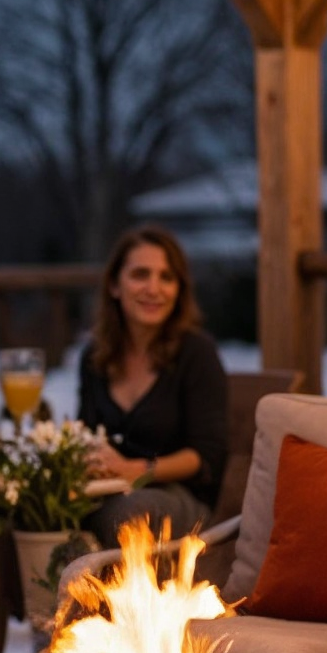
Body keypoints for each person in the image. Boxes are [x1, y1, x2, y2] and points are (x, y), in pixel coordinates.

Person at [77, 226, 228, 548]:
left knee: (130, 513)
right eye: (140, 274)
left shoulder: (196, 352)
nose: (154, 288)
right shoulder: (94, 357)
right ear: (115, 285)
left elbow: (206, 457)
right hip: (108, 490)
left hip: (178, 495)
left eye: (167, 277)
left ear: (179, 290)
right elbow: (87, 435)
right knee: (35, 507)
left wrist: (137, 471)